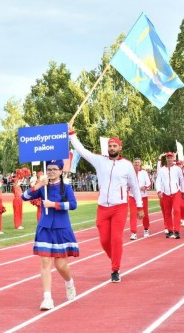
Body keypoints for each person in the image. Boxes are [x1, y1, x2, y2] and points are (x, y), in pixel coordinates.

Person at [69, 123, 143, 283]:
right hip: (103, 207)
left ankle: (115, 269)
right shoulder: (99, 161)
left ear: (120, 148)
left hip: (119, 207)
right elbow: (82, 151)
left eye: (114, 145)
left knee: (116, 238)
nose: (112, 148)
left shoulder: (127, 165)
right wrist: (71, 133)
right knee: (104, 240)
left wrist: (139, 206)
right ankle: (114, 258)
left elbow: (135, 187)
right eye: (110, 145)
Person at [21, 159, 79, 310]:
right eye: (49, 169)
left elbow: (73, 205)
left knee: (60, 265)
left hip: (61, 228)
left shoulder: (66, 187)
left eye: (54, 169)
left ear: (60, 171)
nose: (51, 171)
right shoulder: (43, 187)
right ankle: (47, 298)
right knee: (45, 262)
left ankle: (69, 283)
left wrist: (54, 205)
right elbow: (24, 197)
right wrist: (38, 185)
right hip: (45, 228)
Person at [155, 152, 184, 239]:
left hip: (176, 192)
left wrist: (183, 192)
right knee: (167, 212)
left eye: (170, 157)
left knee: (176, 210)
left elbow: (182, 180)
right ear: (166, 159)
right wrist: (159, 191)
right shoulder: (162, 170)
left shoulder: (177, 169)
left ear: (173, 158)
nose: (169, 159)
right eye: (168, 157)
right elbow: (158, 181)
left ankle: (177, 231)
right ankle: (170, 230)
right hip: (165, 193)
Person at [129, 158, 151, 239]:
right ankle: (133, 232)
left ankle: (146, 229)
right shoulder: (130, 172)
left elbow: (149, 183)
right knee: (133, 214)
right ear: (133, 163)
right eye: (135, 162)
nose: (137, 164)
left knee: (144, 214)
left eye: (138, 162)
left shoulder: (144, 172)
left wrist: (145, 187)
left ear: (140, 163)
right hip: (132, 196)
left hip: (143, 196)